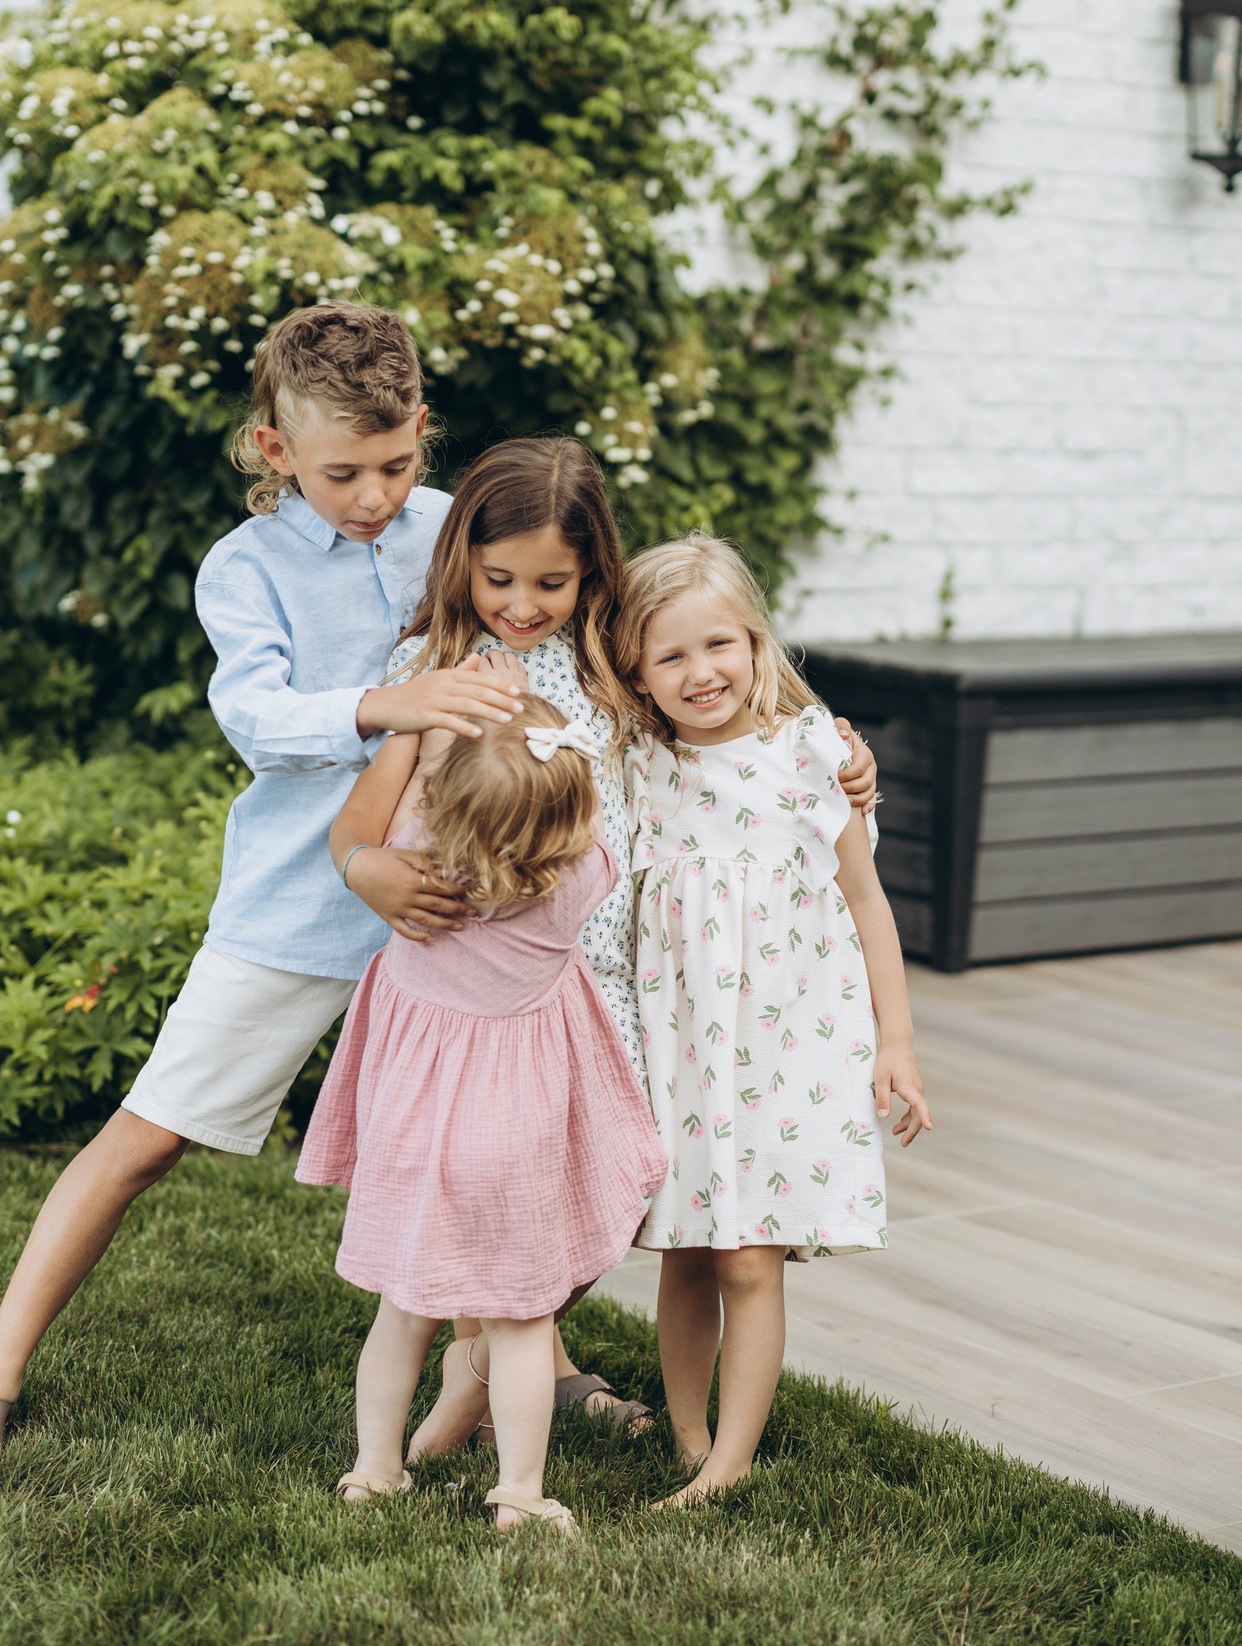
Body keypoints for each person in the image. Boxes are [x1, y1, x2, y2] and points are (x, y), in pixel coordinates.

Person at [0, 302, 527, 1480]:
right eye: (343, 471)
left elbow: (561, 630)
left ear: (425, 433)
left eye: (396, 464)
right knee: (144, 1139)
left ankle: (530, 1367)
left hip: (459, 907)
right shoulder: (244, 568)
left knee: (491, 1143)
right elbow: (253, 716)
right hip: (299, 903)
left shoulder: (456, 530)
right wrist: (391, 705)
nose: (375, 494)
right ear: (275, 449)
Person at [331, 437, 880, 1456]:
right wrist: (366, 870)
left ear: (592, 574)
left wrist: (843, 760)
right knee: (505, 1192)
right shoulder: (436, 673)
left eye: (552, 581)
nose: (524, 603)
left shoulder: (610, 661)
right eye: (499, 579)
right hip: (486, 981)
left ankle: (478, 1363)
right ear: (462, 564)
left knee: (607, 1194)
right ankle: (481, 1366)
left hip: (611, 984)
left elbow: (735, 718)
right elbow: (360, 823)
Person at [614, 531, 933, 1508]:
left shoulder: (808, 754)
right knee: (685, 1246)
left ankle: (730, 1462)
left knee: (751, 1254)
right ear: (635, 667)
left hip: (784, 1044)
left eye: (720, 645)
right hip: (679, 1051)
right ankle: (684, 1431)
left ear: (756, 643)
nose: (700, 671)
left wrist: (898, 1042)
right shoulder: (635, 765)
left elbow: (866, 901)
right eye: (670, 655)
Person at [300, 696, 664, 1535]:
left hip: (414, 1128)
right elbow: (597, 836)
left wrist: (427, 742)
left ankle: (374, 1469)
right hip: (515, 1133)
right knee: (521, 1322)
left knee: (404, 1309)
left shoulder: (416, 870)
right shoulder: (580, 878)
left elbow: (390, 813)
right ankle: (521, 1493)